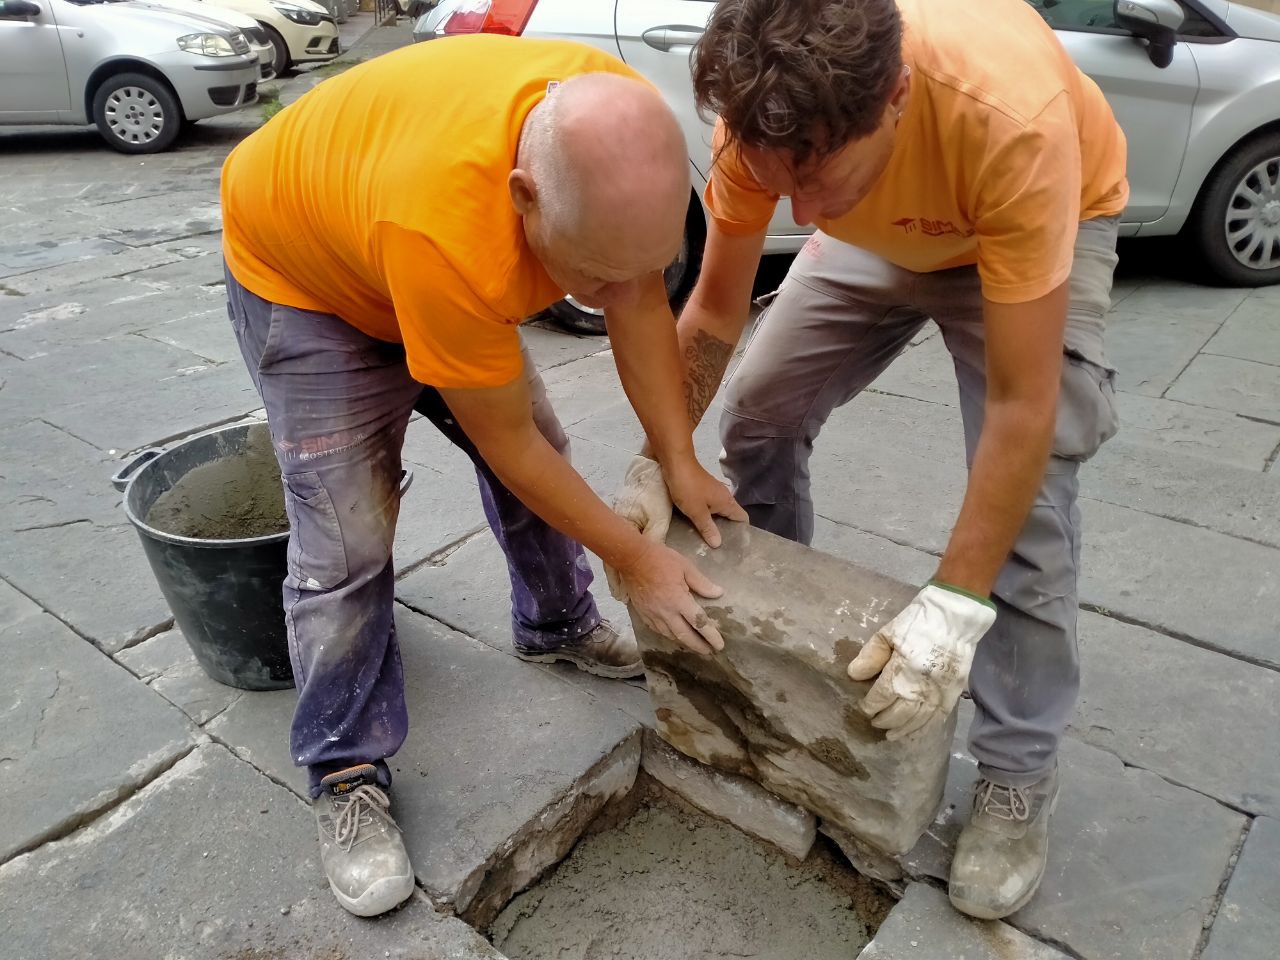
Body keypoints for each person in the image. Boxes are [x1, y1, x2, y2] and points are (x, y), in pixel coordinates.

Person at [610, 0, 1127, 920]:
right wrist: (663, 454)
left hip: (1026, 227)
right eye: (781, 185)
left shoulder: (1011, 119)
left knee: (1030, 513)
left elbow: (1021, 403)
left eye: (817, 183)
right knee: (762, 411)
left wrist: (955, 608)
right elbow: (720, 309)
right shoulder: (763, 119)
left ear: (893, 97)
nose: (796, 213)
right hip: (881, 227)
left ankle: (1016, 775)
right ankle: (754, 611)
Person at [220, 35, 745, 918]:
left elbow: (639, 302)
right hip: (313, 285)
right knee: (348, 537)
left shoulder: (614, 122)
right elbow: (508, 445)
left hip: (404, 226)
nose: (613, 289)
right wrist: (637, 560)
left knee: (545, 454)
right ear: (524, 197)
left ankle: (556, 624)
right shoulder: (445, 226)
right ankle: (345, 767)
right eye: (589, 274)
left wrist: (679, 459)